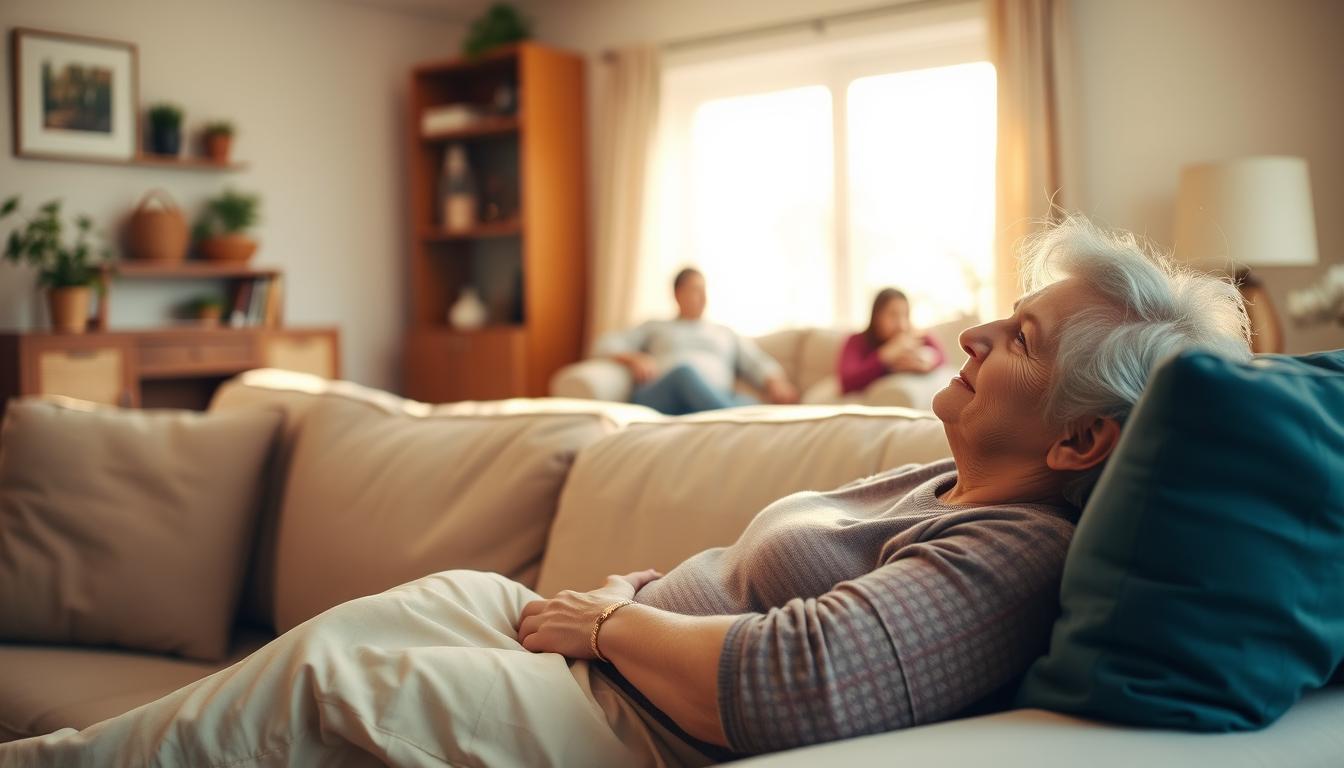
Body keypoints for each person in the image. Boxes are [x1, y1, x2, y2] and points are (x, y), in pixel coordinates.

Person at [2, 217, 1251, 767]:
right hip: (588, 648)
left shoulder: (1019, 552)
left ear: (1085, 443)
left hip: (634, 727)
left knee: (337, 684)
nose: (973, 335)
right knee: (357, 635)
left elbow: (795, 679)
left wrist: (605, 624)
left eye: (1019, 342)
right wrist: (622, 596)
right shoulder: (944, 471)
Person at [593, 267, 799, 414]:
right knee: (685, 372)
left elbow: (756, 362)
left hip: (713, 396)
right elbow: (604, 344)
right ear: (677, 294)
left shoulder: (724, 332)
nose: (703, 297)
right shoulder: (656, 326)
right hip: (662, 395)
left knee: (751, 403)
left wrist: (776, 382)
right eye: (695, 290)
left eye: (704, 290)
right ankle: (731, 418)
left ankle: (735, 415)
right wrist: (633, 358)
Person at [839, 288, 947, 395]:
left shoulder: (918, 336)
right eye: (893, 315)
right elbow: (847, 382)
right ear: (876, 316)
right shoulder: (857, 341)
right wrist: (886, 354)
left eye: (905, 315)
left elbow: (942, 358)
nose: (901, 324)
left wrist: (927, 361)